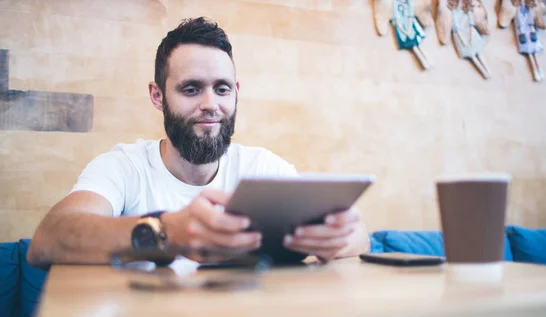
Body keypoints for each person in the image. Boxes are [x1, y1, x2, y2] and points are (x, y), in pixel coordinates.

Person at [27, 17, 371, 268]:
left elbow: (361, 240)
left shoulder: (263, 168)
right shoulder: (124, 167)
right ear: (157, 96)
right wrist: (166, 232)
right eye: (191, 89)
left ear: (236, 93)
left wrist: (338, 238)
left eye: (222, 88)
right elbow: (47, 241)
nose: (210, 103)